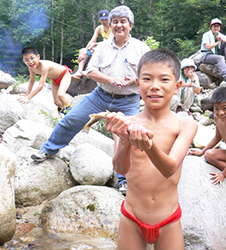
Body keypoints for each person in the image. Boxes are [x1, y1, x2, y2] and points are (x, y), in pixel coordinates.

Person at [31, 5, 150, 196]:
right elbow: (90, 71)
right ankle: (48, 150)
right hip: (100, 96)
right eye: (115, 22)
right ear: (110, 25)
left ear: (131, 25)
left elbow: (149, 73)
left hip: (128, 100)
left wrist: (134, 79)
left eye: (123, 22)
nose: (119, 25)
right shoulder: (102, 47)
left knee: (126, 137)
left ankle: (123, 180)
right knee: (71, 119)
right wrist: (111, 80)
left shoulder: (142, 48)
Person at [105, 48, 198, 249]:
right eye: (147, 79)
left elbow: (169, 168)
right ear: (138, 85)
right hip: (132, 217)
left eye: (164, 80)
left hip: (169, 219)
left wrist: (148, 146)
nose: (154, 86)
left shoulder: (185, 124)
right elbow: (120, 169)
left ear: (177, 86)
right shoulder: (126, 124)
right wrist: (125, 142)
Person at [19, 47, 72, 115]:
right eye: (26, 60)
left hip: (64, 75)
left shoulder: (44, 66)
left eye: (32, 58)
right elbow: (32, 80)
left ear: (38, 57)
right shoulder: (31, 68)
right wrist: (27, 94)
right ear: (23, 61)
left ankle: (72, 113)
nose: (30, 62)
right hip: (54, 79)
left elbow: (41, 85)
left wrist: (28, 98)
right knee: (57, 102)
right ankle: (64, 114)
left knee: (60, 95)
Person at [71, 9, 113, 79]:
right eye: (102, 20)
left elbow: (108, 42)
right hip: (100, 48)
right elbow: (91, 41)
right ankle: (79, 71)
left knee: (97, 51)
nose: (104, 22)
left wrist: (95, 45)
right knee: (82, 50)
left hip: (110, 48)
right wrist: (86, 49)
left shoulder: (113, 27)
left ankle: (89, 71)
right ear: (99, 19)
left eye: (106, 19)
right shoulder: (99, 28)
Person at [201, 18, 226, 82]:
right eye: (214, 26)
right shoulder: (206, 35)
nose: (216, 28)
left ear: (219, 28)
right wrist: (217, 42)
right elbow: (208, 46)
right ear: (211, 27)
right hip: (206, 55)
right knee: (220, 58)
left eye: (217, 26)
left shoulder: (219, 35)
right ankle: (224, 74)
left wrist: (222, 39)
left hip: (215, 54)